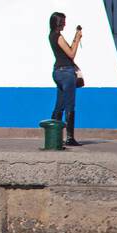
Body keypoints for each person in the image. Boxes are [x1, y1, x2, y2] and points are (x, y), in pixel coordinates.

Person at [49, 11, 83, 147]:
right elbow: (71, 53)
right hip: (66, 73)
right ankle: (69, 137)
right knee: (70, 105)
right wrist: (77, 38)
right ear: (58, 23)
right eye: (63, 21)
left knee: (60, 105)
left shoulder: (51, 35)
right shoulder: (58, 36)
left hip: (58, 72)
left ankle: (53, 135)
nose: (65, 24)